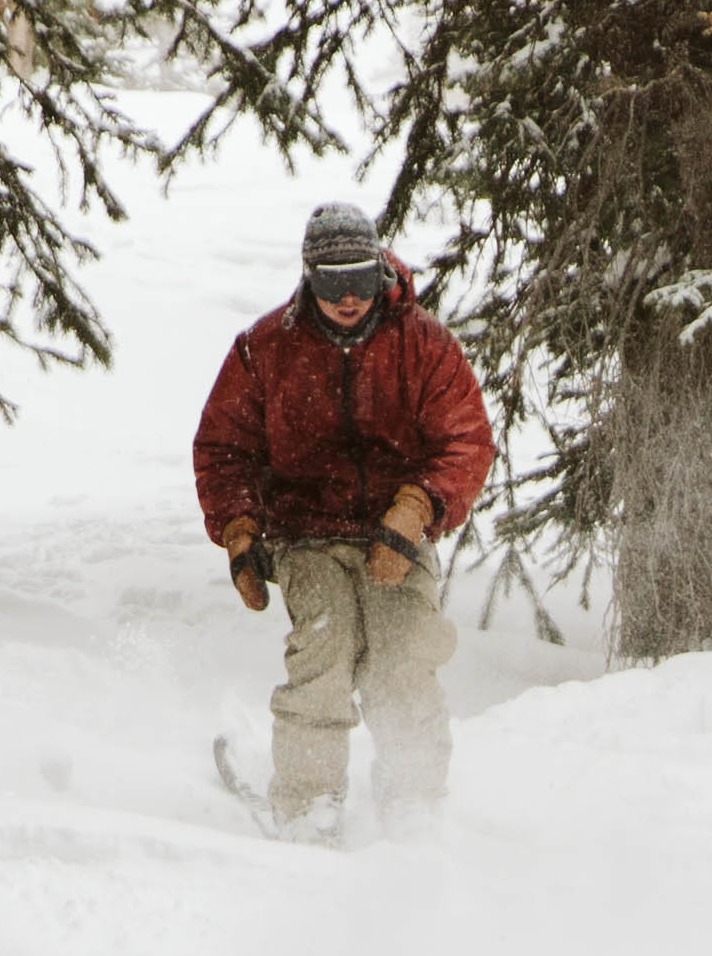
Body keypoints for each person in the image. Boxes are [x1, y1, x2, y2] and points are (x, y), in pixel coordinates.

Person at [196, 204, 497, 832]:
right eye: (333, 282)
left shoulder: (422, 343)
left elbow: (465, 439)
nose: (350, 297)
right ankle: (309, 804)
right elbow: (226, 449)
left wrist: (415, 509)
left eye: (361, 277)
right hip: (305, 533)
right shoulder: (267, 348)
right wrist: (240, 530)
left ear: (382, 268)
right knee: (325, 652)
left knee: (403, 657)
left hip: (396, 532)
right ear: (309, 278)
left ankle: (413, 797)